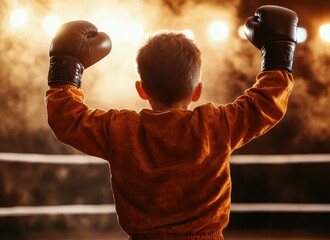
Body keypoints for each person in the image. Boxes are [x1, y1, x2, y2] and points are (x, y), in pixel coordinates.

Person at [45, 5, 298, 240]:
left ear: (141, 90)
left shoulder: (121, 130)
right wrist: (278, 52)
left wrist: (67, 67)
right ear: (197, 91)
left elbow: (66, 117)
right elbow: (267, 103)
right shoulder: (216, 125)